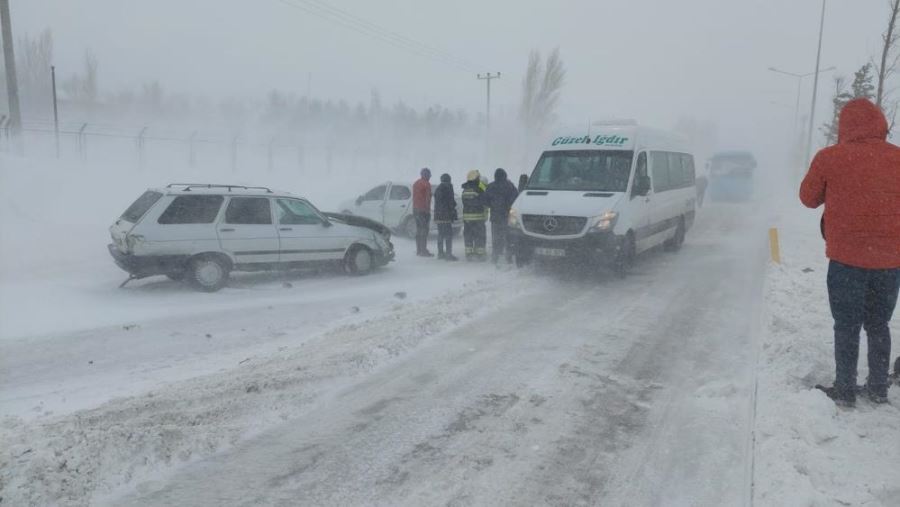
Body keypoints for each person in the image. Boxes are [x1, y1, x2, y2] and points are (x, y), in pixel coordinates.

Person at [800, 98, 900, 407]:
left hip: (846, 262)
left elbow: (807, 198)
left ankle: (844, 390)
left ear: (845, 126)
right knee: (878, 325)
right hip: (889, 262)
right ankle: (879, 388)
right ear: (880, 124)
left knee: (846, 326)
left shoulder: (830, 157)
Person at [485, 168, 519, 264]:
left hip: (495, 217)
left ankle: (495, 256)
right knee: (509, 237)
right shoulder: (510, 186)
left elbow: (485, 201)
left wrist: (493, 205)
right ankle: (509, 257)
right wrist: (508, 208)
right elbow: (516, 200)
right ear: (505, 175)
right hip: (507, 217)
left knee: (496, 238)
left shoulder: (490, 186)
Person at [461, 170, 488, 261]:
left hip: (467, 218)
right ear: (476, 178)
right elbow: (484, 202)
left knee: (468, 235)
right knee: (479, 235)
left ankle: (469, 253)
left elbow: (465, 203)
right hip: (478, 217)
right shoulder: (479, 189)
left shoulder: (465, 190)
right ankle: (480, 254)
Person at [433, 173, 458, 261]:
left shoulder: (438, 188)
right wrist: (453, 209)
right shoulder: (448, 187)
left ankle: (440, 253)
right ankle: (448, 254)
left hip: (438, 215)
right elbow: (450, 201)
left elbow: (438, 201)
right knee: (448, 235)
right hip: (446, 215)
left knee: (440, 234)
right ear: (449, 180)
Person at [412, 167, 434, 257]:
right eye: (429, 175)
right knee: (424, 230)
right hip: (423, 210)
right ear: (427, 175)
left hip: (415, 209)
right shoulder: (426, 184)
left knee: (419, 230)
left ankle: (418, 249)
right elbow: (427, 198)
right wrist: (427, 210)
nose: (429, 177)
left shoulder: (416, 183)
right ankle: (423, 250)